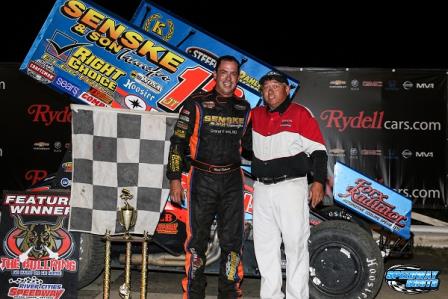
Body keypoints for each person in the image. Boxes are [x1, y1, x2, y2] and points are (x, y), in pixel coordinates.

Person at [166, 55, 251, 299]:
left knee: (233, 243)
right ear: (214, 75)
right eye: (223, 72)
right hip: (201, 179)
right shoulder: (195, 104)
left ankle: (230, 294)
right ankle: (193, 295)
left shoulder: (245, 110)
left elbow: (252, 146)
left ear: (238, 78)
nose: (228, 78)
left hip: (233, 180)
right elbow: (177, 142)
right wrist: (174, 178)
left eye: (233, 74)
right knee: (196, 244)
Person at [250, 71, 328, 298]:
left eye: (276, 86)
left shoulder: (300, 114)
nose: (270, 91)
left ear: (287, 89)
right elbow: (244, 146)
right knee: (264, 248)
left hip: (290, 188)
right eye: (266, 87)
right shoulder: (254, 115)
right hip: (262, 189)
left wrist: (319, 182)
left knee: (295, 247)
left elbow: (319, 152)